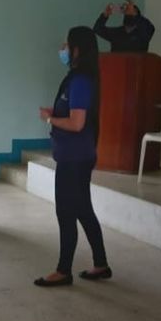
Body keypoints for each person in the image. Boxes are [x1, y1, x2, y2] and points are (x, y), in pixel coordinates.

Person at [35, 26, 111, 287]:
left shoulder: (80, 81)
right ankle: (101, 264)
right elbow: (74, 114)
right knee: (82, 209)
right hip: (76, 155)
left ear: (77, 50)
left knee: (66, 212)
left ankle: (63, 271)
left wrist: (50, 119)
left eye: (66, 45)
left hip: (74, 159)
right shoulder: (78, 79)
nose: (63, 49)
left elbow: (77, 123)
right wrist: (55, 112)